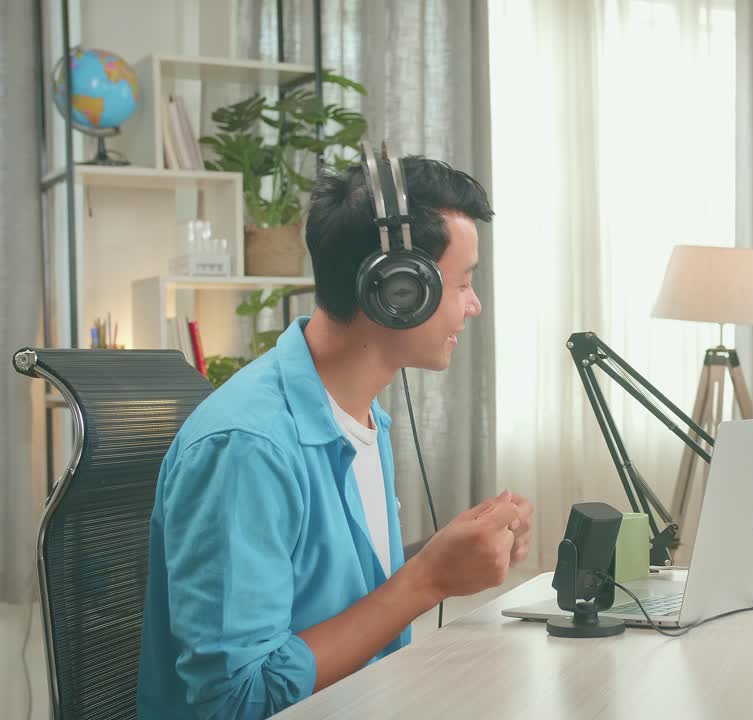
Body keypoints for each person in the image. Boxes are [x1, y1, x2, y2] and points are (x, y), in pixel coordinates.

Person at [137, 150, 533, 719]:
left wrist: (458, 554)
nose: (474, 306)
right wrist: (427, 581)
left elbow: (338, 604)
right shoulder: (248, 447)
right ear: (399, 291)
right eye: (463, 283)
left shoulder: (363, 419)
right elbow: (235, 702)